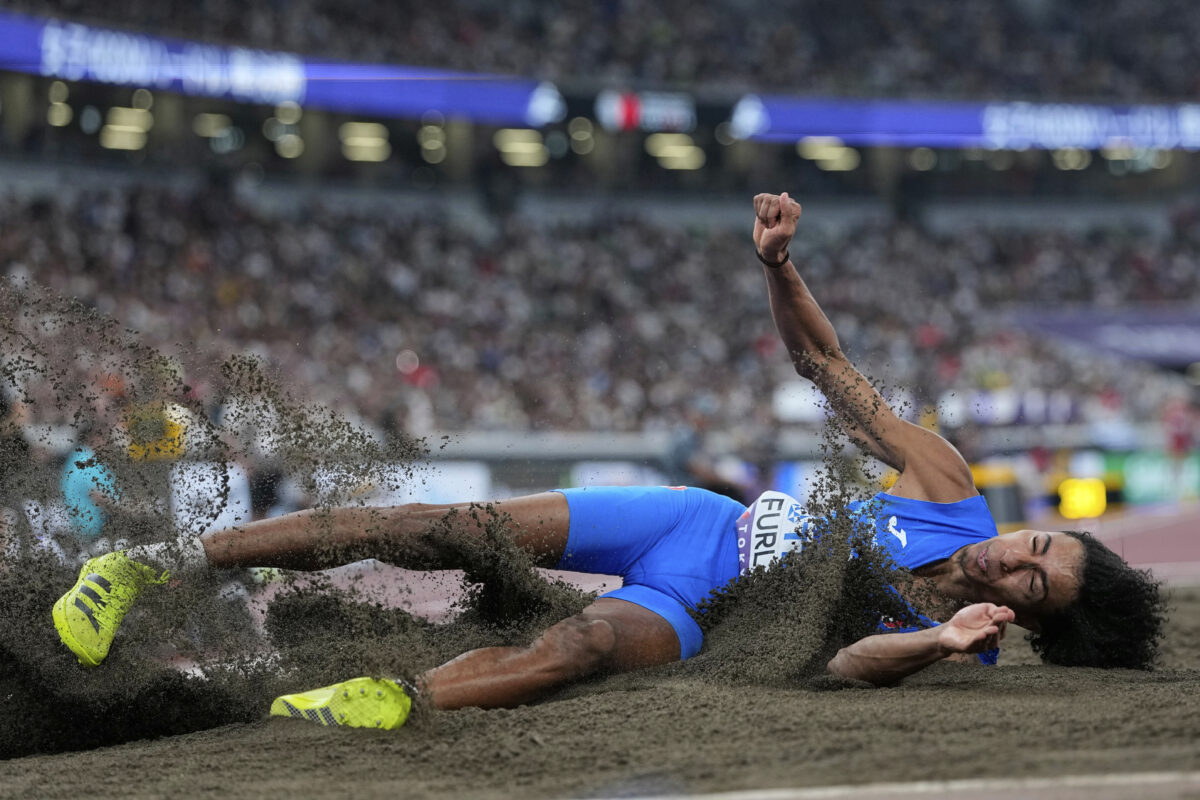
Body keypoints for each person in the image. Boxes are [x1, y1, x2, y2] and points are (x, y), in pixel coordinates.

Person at [52, 193, 1164, 729]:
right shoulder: (951, 486)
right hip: (693, 524)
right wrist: (781, 267)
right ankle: (161, 560)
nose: (1011, 563)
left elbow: (841, 670)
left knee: (582, 641)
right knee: (440, 525)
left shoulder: (954, 648)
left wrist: (930, 636)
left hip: (701, 616)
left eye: (1032, 581)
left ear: (1032, 619)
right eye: (1035, 544)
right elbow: (828, 366)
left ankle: (372, 701)